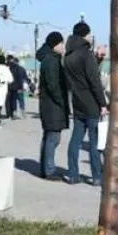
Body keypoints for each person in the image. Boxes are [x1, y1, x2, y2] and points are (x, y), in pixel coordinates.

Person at [63, 21, 106, 185]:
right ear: (84, 35)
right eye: (89, 34)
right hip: (91, 104)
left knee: (75, 140)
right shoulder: (86, 54)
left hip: (77, 102)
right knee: (94, 142)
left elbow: (74, 79)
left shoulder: (68, 55)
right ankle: (96, 176)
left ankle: (73, 173)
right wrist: (103, 103)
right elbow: (93, 80)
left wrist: (97, 60)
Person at [35, 32, 70, 179]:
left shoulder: (51, 59)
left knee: (49, 137)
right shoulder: (51, 61)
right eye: (61, 44)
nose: (63, 47)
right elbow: (53, 84)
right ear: (55, 45)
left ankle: (45, 168)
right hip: (53, 106)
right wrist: (61, 101)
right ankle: (49, 170)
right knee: (53, 138)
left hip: (50, 105)